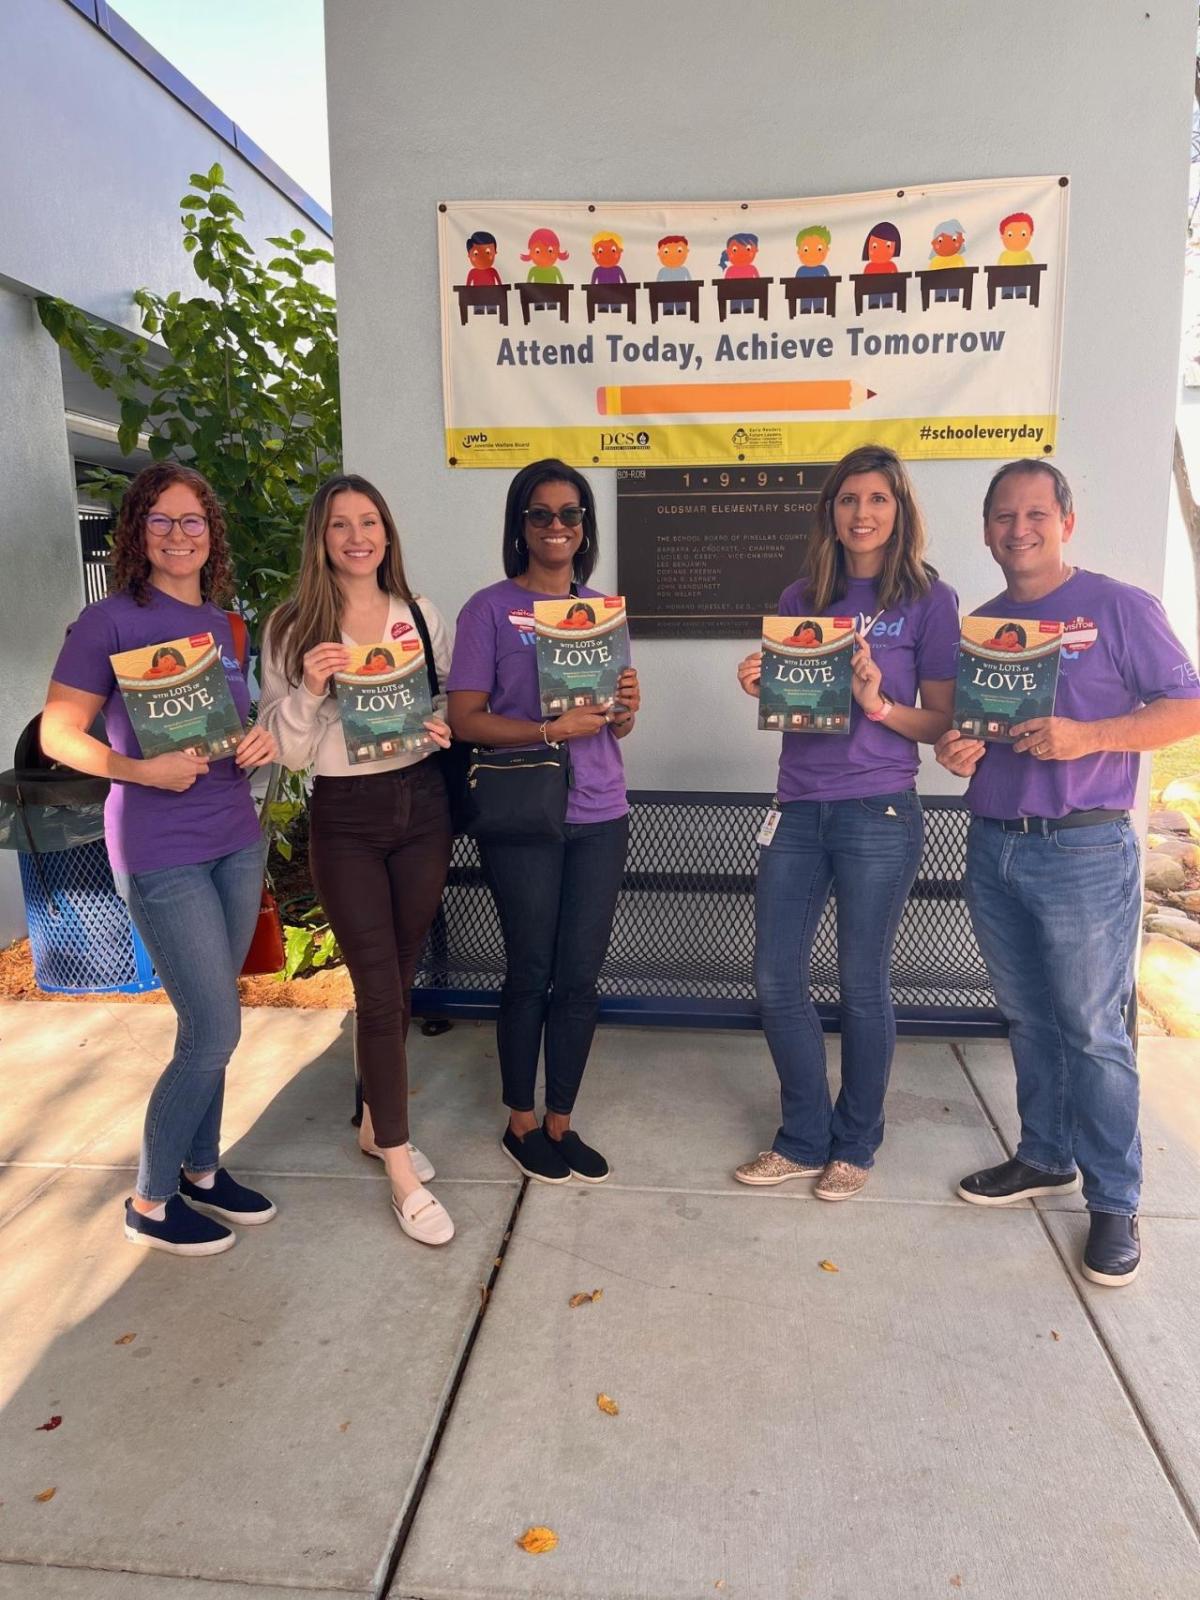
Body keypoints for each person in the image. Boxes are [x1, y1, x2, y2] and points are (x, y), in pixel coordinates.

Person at [936, 459, 1200, 1286]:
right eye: (1004, 517)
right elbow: (965, 735)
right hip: (994, 841)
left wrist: (1090, 737)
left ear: (1066, 522)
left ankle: (1116, 1202)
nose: (1020, 530)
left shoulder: (1119, 606)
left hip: (1083, 850)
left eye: (1036, 515)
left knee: (1093, 1030)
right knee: (1028, 1018)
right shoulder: (980, 625)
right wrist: (955, 750)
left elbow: (1187, 706)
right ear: (985, 529)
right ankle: (1045, 1156)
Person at [41, 463, 280, 1256]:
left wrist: (257, 742)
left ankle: (203, 1171)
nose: (180, 535)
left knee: (218, 1018)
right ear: (136, 533)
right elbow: (58, 734)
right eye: (162, 521)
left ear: (211, 536)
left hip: (234, 840)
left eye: (194, 522)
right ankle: (151, 1197)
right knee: (210, 1031)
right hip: (158, 850)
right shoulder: (106, 623)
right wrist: (139, 769)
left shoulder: (224, 625)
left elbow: (233, 728)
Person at [734, 444, 959, 1201]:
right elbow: (794, 701)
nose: (861, 513)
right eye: (848, 499)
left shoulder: (930, 599)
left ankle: (856, 1142)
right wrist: (760, 679)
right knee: (775, 978)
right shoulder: (803, 596)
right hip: (797, 805)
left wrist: (876, 704)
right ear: (830, 511)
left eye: (877, 499)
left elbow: (938, 725)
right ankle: (803, 1135)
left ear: (900, 511)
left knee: (863, 986)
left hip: (879, 809)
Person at [257, 474, 455, 1247]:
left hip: (422, 807)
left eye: (369, 521)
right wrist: (308, 685)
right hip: (345, 816)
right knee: (376, 990)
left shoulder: (419, 614)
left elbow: (438, 704)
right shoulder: (290, 626)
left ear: (386, 532)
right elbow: (291, 750)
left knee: (399, 975)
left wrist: (439, 728)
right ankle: (401, 1171)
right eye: (340, 524)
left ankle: (376, 1125)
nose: (356, 536)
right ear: (321, 538)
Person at [447, 459, 640, 1184]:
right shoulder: (488, 610)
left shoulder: (603, 610)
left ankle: (562, 1117)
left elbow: (612, 728)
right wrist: (548, 731)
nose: (557, 526)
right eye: (541, 513)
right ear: (519, 525)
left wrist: (625, 710)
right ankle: (520, 1120)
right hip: (526, 812)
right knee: (529, 970)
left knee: (580, 976)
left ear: (584, 527)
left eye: (570, 514)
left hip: (601, 810)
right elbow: (464, 719)